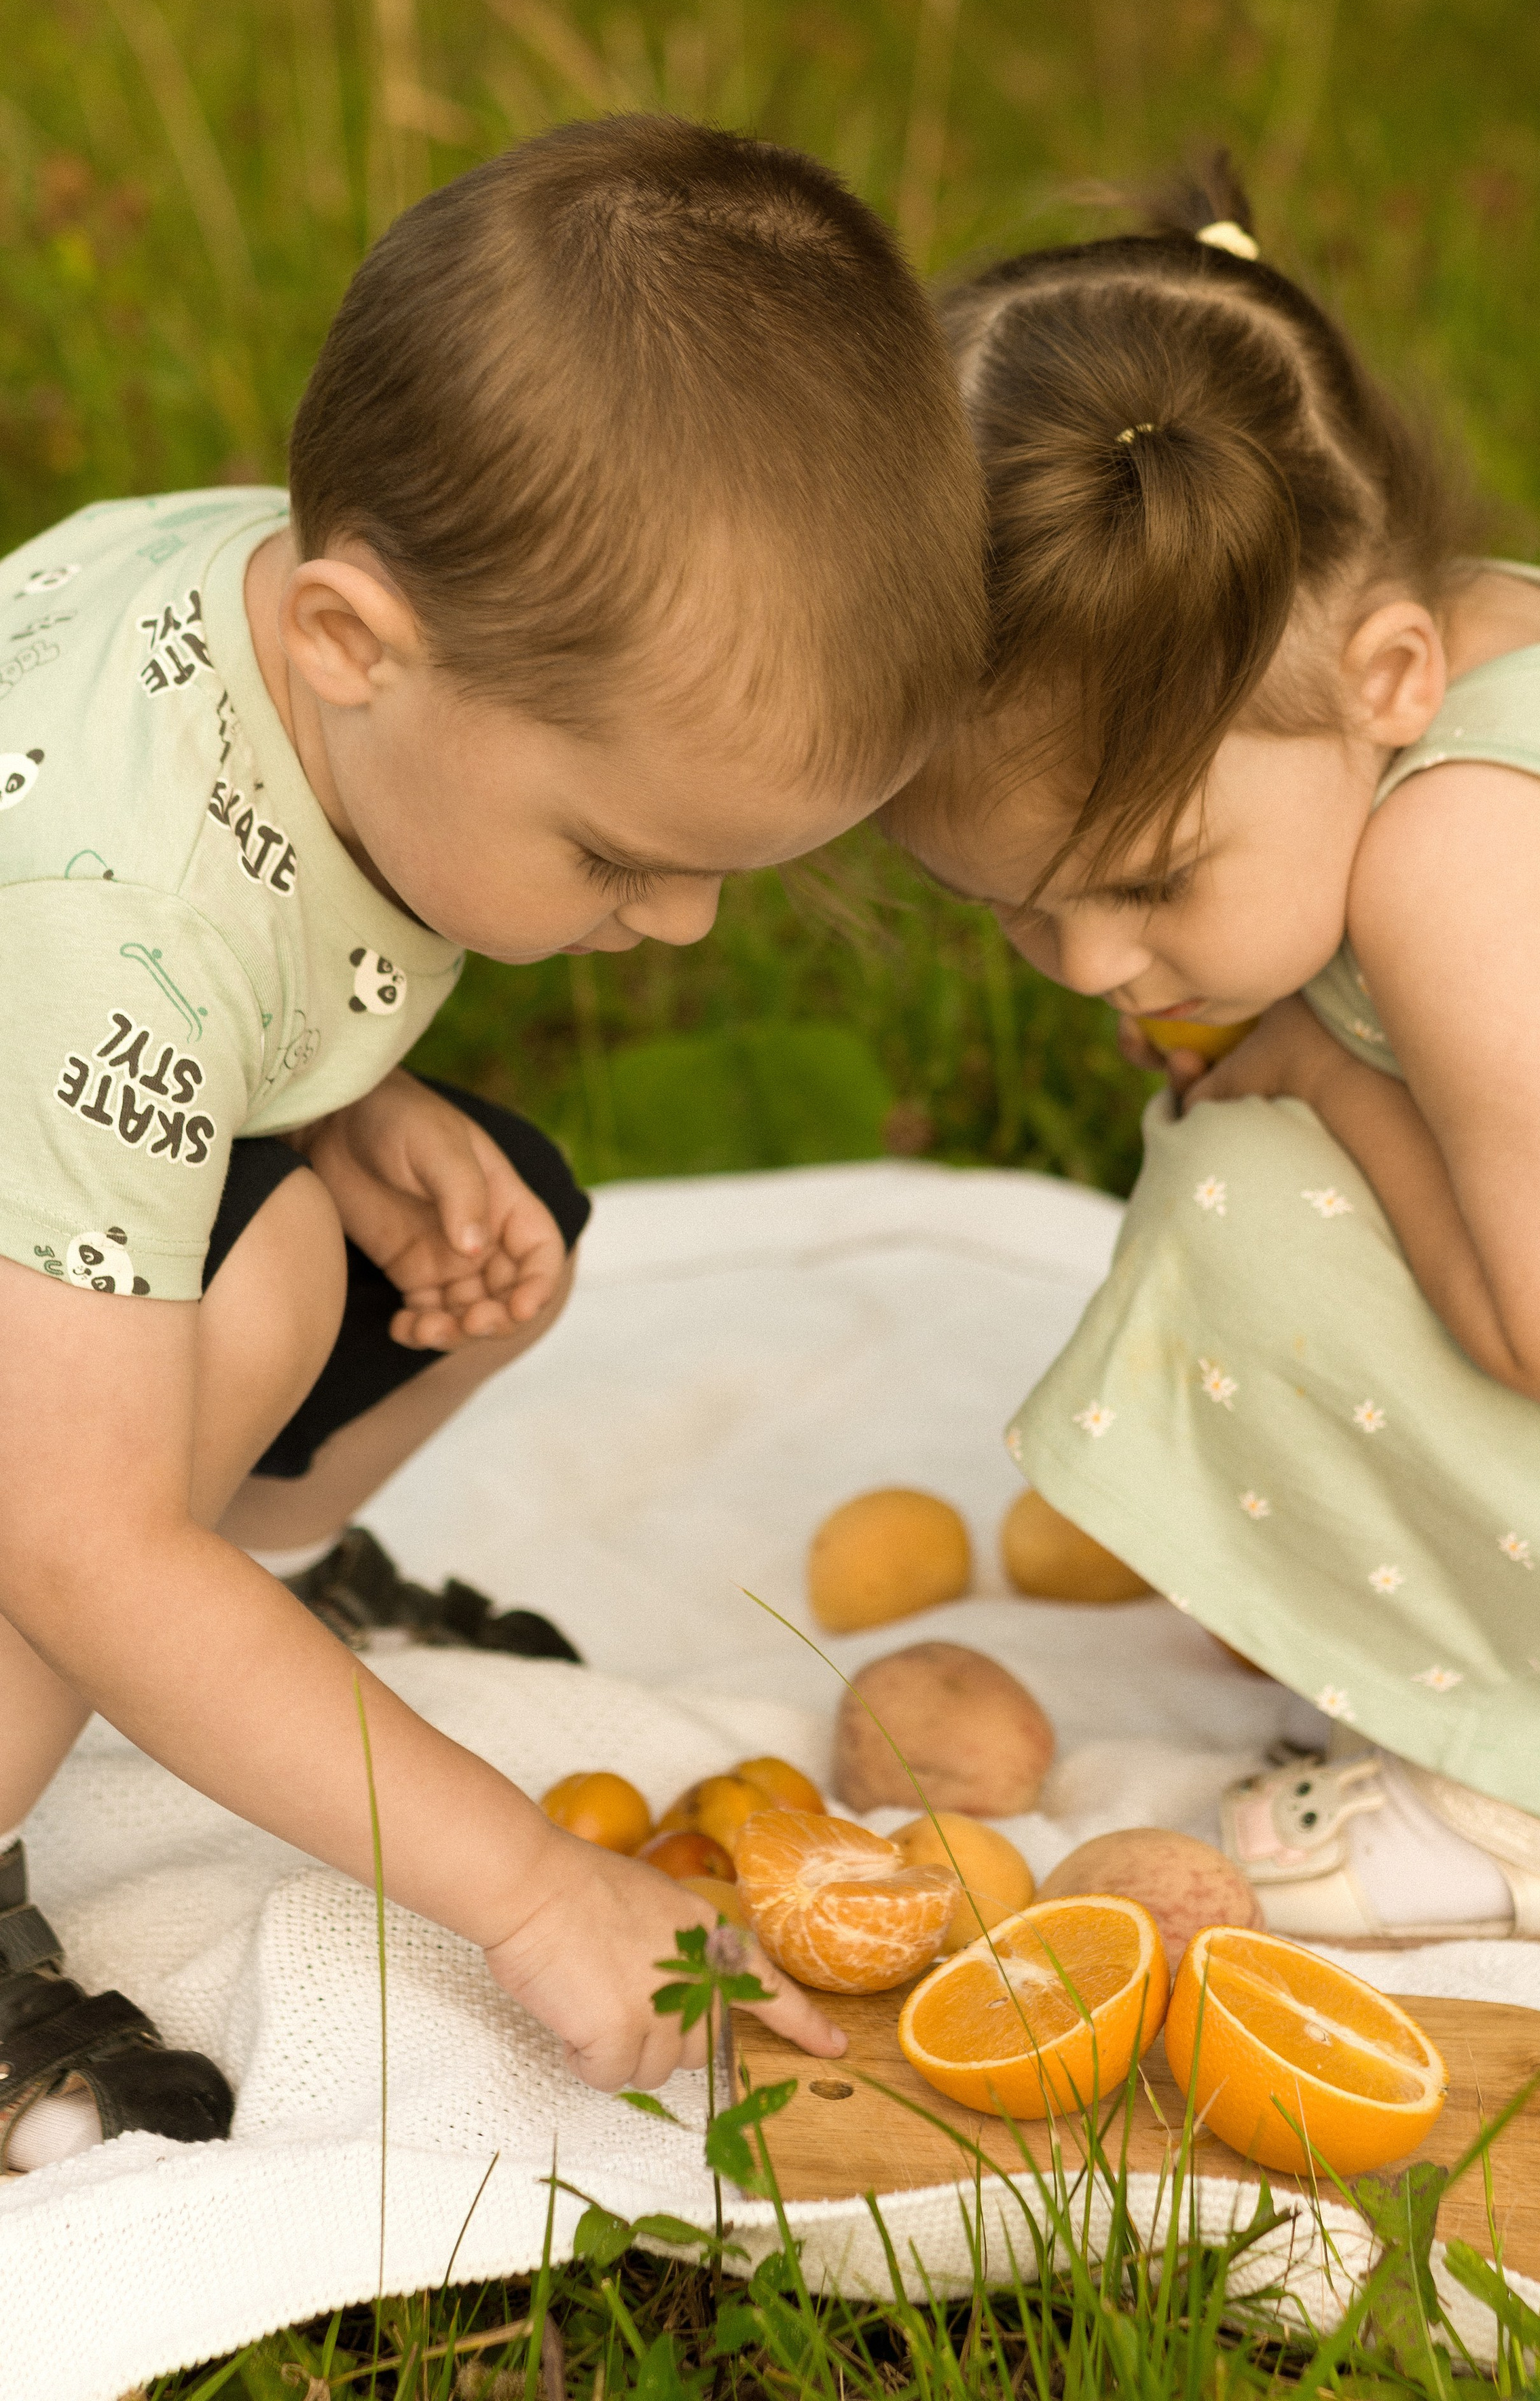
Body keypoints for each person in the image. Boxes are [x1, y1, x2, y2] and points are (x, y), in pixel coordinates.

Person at [0, 115, 987, 2169]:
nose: (687, 922)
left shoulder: (294, 616)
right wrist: (525, 1885)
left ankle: (258, 1612)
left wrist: (344, 1087)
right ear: (361, 644)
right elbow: (71, 1534)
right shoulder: (109, 929)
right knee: (224, 1345)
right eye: (623, 854)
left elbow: (208, 929)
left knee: (463, 1239)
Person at [883, 152, 1540, 1955]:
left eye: (1151, 882)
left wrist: (1333, 1078)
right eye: (1020, 912)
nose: (1092, 965)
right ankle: (1452, 1605)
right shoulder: (1495, 645)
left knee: (1250, 1200)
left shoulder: (1460, 866)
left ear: (1391, 678)